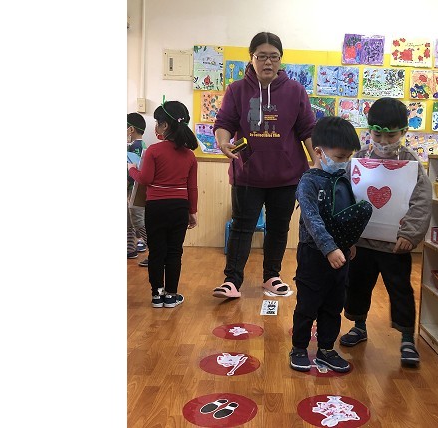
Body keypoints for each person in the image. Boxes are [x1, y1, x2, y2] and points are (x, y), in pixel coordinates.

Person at [212, 31, 316, 299]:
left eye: (274, 57)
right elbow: (224, 123)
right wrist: (223, 143)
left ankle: (272, 276)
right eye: (261, 56)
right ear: (251, 58)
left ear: (280, 59)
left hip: (287, 176)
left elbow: (307, 129)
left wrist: (316, 161)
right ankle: (232, 281)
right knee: (241, 227)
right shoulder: (236, 90)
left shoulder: (296, 91)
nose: (268, 62)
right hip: (247, 174)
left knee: (279, 228)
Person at [340, 97, 432, 367]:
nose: (383, 141)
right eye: (377, 134)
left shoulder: (411, 163)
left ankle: (407, 337)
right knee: (357, 286)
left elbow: (421, 201)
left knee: (400, 289)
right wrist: (347, 235)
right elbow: (345, 193)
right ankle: (359, 326)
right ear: (369, 130)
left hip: (395, 245)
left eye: (390, 135)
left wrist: (410, 234)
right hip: (361, 243)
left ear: (404, 132)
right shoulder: (359, 159)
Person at [289, 116, 371, 373]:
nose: (343, 162)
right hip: (314, 254)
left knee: (334, 305)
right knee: (308, 305)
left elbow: (347, 214)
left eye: (348, 157)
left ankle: (326, 349)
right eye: (339, 157)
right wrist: (330, 248)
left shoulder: (342, 179)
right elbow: (312, 219)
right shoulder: (308, 182)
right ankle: (299, 348)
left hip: (341, 254)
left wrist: (349, 242)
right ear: (318, 152)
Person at [128, 100, 199, 308]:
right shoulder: (190, 156)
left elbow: (146, 179)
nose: (156, 127)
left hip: (156, 208)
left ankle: (156, 296)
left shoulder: (153, 151)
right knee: (175, 252)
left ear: (165, 125)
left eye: (157, 123)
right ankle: (171, 296)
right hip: (179, 208)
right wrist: (192, 212)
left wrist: (132, 169)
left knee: (157, 251)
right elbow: (192, 188)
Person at [127, 113, 149, 262]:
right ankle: (130, 248)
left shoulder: (134, 147)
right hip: (135, 189)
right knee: (129, 218)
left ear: (131, 129)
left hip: (135, 190)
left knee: (137, 219)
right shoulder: (142, 145)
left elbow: (131, 170)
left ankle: (153, 249)